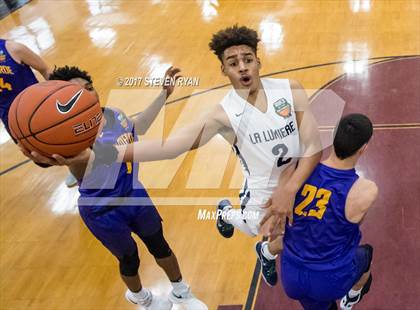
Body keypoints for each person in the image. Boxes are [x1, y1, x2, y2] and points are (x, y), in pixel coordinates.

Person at [86, 25, 322, 287]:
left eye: (247, 59)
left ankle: (265, 252)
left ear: (258, 61)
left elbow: (313, 145)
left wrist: (289, 188)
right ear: (224, 70)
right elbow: (171, 147)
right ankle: (225, 213)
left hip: (297, 176)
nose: (242, 67)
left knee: (298, 229)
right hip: (262, 188)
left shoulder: (290, 88)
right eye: (233, 63)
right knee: (259, 229)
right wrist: (107, 153)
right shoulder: (222, 115)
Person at [21, 65, 207, 310]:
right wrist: (41, 156)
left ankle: (181, 290)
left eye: (89, 89)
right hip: (101, 210)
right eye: (77, 94)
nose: (87, 96)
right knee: (129, 259)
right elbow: (48, 158)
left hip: (134, 195)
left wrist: (164, 94)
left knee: (160, 245)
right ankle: (140, 298)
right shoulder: (67, 136)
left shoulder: (113, 114)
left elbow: (138, 126)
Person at [275, 114, 378, 310]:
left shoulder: (298, 172)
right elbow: (356, 222)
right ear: (363, 148)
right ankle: (355, 294)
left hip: (291, 278)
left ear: (333, 136)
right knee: (366, 253)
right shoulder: (366, 190)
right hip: (331, 279)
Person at [0, 39, 77, 187]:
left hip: (38, 109)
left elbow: (45, 69)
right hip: (11, 119)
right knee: (42, 158)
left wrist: (62, 97)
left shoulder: (13, 49)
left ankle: (82, 166)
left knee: (69, 139)